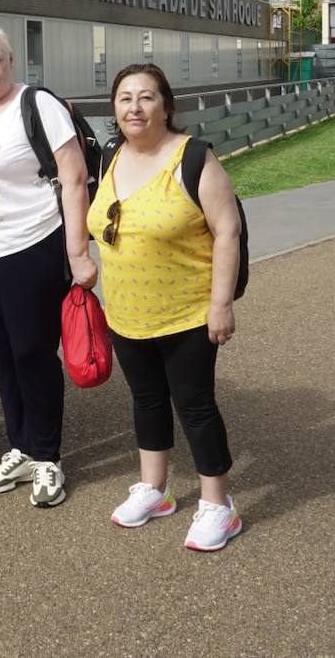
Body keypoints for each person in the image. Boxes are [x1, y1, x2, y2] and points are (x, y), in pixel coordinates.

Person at [87, 63, 245, 551]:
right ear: (115, 109)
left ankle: (218, 504)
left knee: (194, 405)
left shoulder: (193, 157)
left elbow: (228, 231)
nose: (135, 107)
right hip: (127, 311)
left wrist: (220, 304)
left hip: (187, 313)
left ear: (166, 105)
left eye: (147, 97)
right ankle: (154, 489)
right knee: (146, 400)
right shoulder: (111, 155)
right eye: (125, 98)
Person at [0, 23, 95, 509]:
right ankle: (21, 446)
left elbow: (74, 180)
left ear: (12, 62)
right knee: (3, 355)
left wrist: (78, 253)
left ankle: (47, 454)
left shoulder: (38, 105)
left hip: (31, 245)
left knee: (33, 352)